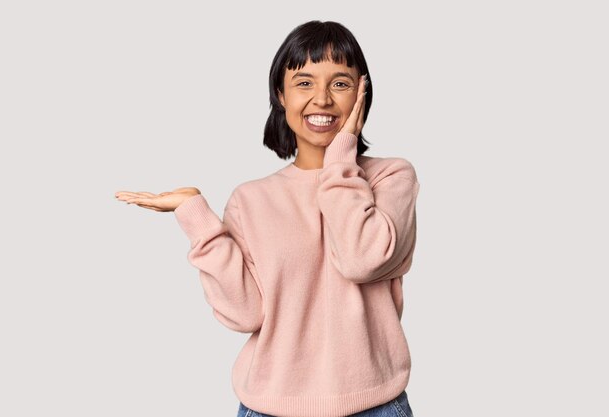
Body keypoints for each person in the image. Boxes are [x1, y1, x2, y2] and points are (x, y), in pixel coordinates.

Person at [115, 20, 419, 417]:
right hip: (269, 407)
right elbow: (245, 314)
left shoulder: (390, 178)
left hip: (375, 405)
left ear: (362, 92)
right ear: (280, 94)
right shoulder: (251, 199)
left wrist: (341, 157)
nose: (323, 99)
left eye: (340, 83)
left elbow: (361, 259)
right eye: (305, 83)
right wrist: (198, 219)